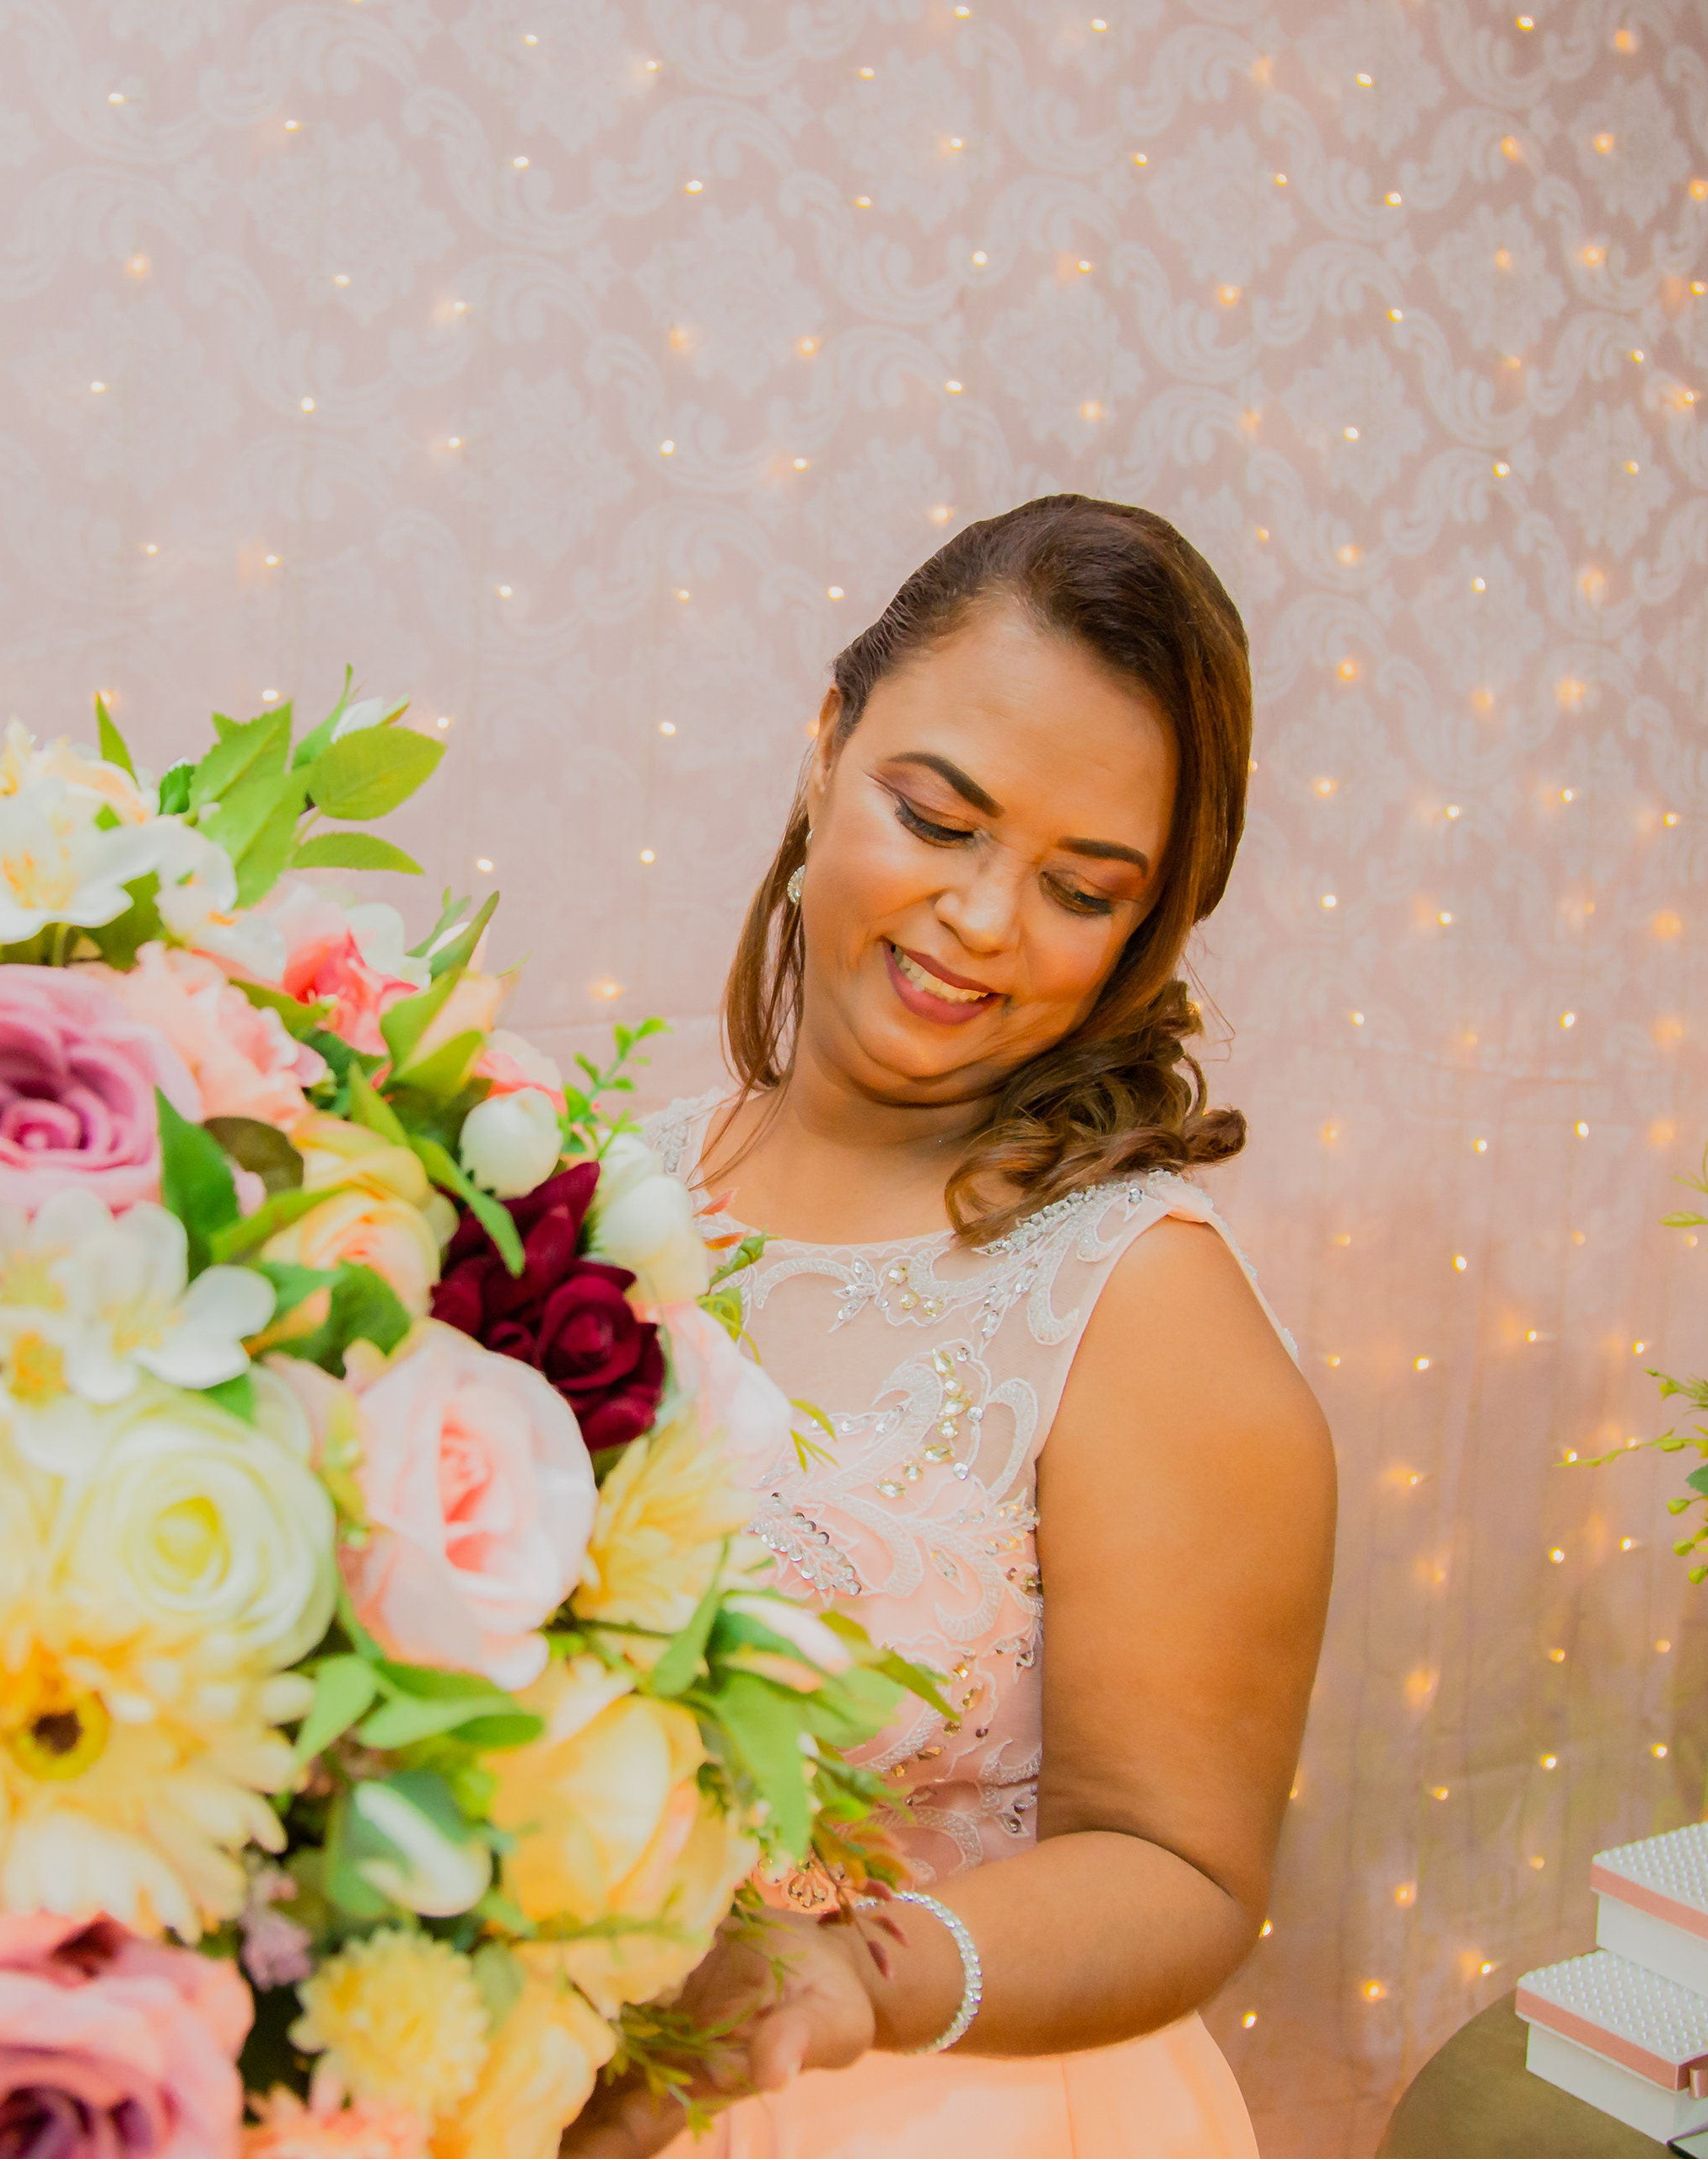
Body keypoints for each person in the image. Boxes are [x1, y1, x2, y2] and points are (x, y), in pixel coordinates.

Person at [567, 496, 1336, 2159]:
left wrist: (852, 1975)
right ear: (828, 744)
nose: (984, 918)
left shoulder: (1143, 1305)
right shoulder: (599, 1184)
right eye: (937, 817)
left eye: (1080, 887)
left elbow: (1184, 1865)